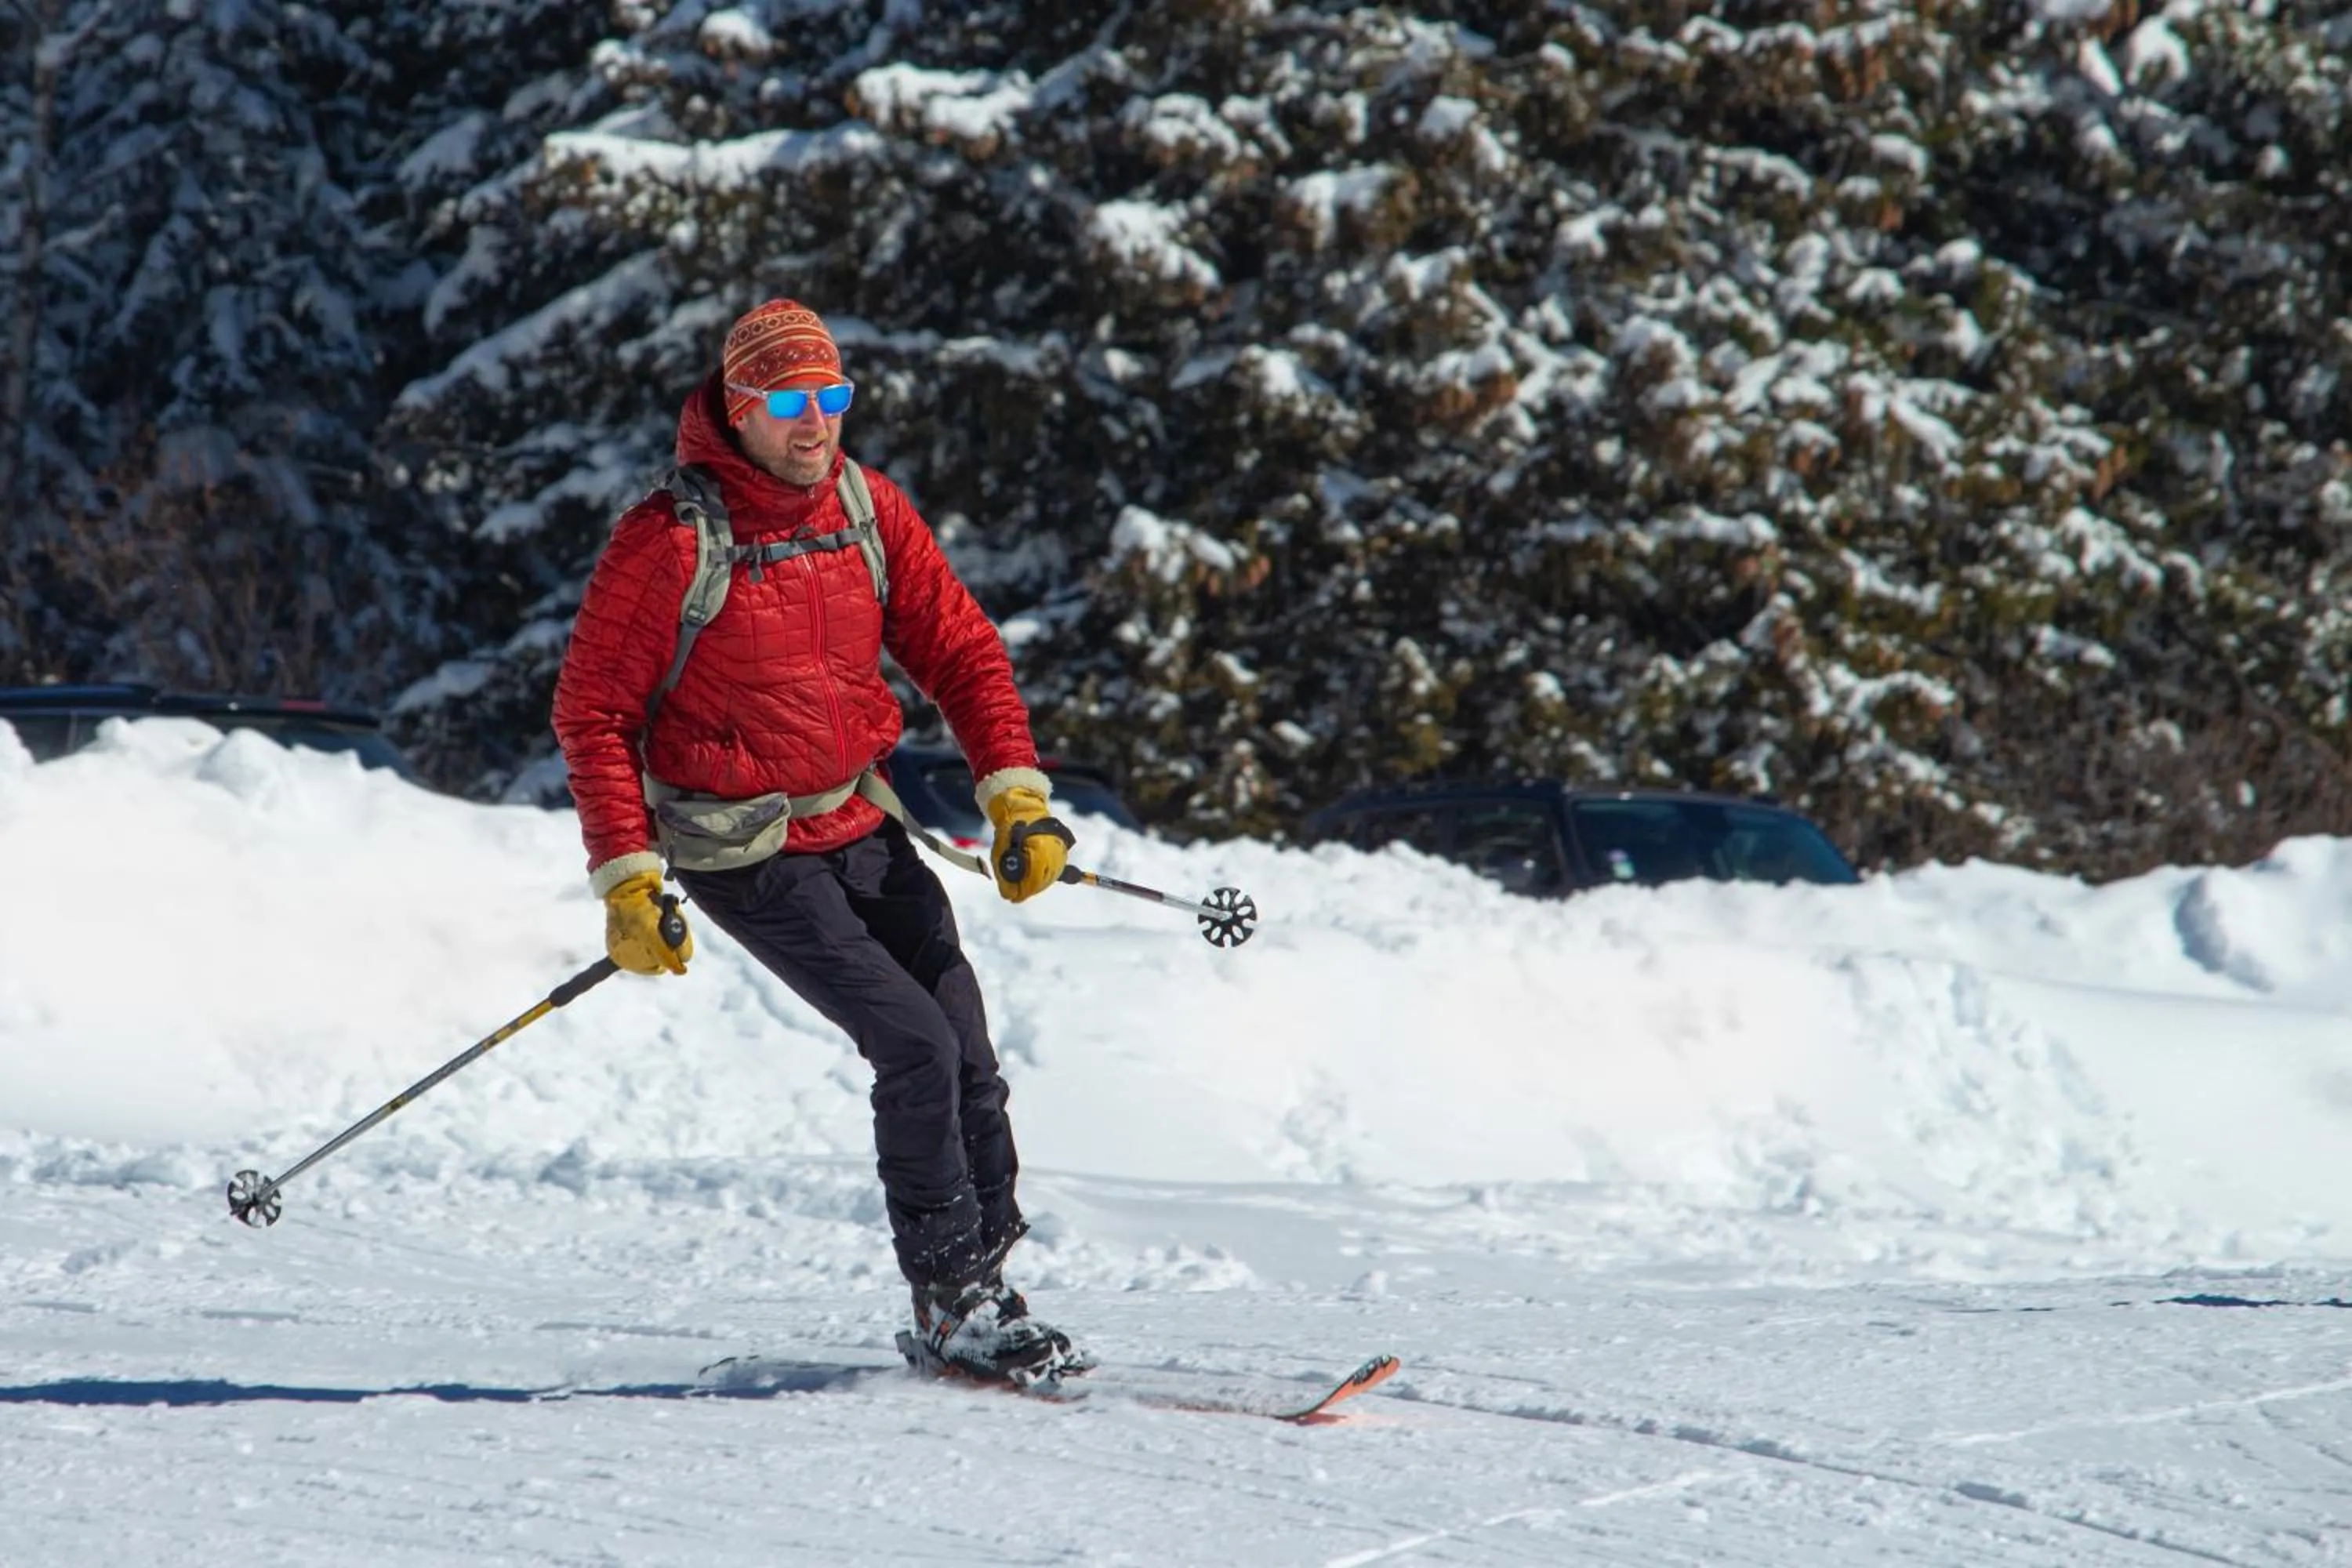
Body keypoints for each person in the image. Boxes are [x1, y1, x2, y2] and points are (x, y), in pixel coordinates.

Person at [551, 299, 1082, 1382]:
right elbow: (592, 712)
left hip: (858, 816)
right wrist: (627, 878)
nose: (816, 422)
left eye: (831, 396)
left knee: (967, 1046)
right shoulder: (670, 537)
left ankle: (988, 1279)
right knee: (914, 1046)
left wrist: (1016, 797)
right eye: (789, 401)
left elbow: (965, 653)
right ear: (737, 410)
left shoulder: (863, 508)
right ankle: (948, 1297)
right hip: (741, 849)